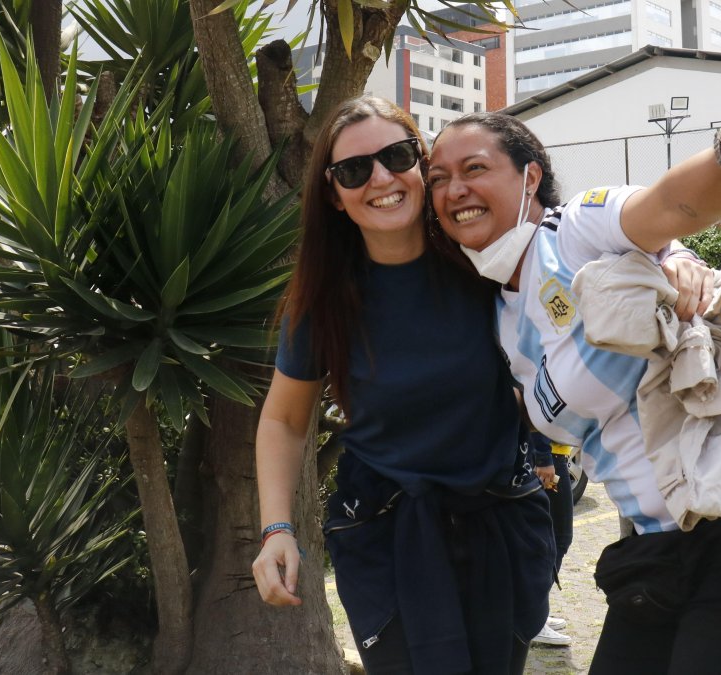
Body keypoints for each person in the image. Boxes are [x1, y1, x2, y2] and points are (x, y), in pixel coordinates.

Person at [428, 87, 721, 674]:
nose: (455, 190)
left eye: (475, 169)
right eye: (439, 178)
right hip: (656, 546)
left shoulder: (575, 232)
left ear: (530, 178)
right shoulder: (501, 318)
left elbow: (670, 206)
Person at [250, 95, 557, 675]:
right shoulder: (322, 302)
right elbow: (284, 420)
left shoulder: (484, 262)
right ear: (333, 195)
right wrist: (276, 530)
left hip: (501, 528)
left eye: (396, 156)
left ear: (421, 165)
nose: (381, 179)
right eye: (353, 170)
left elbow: (588, 254)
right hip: (387, 535)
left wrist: (671, 261)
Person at [528, 431, 574, 647]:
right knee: (557, 538)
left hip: (549, 455)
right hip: (548, 458)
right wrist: (543, 457)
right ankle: (533, 619)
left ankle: (536, 613)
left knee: (551, 538)